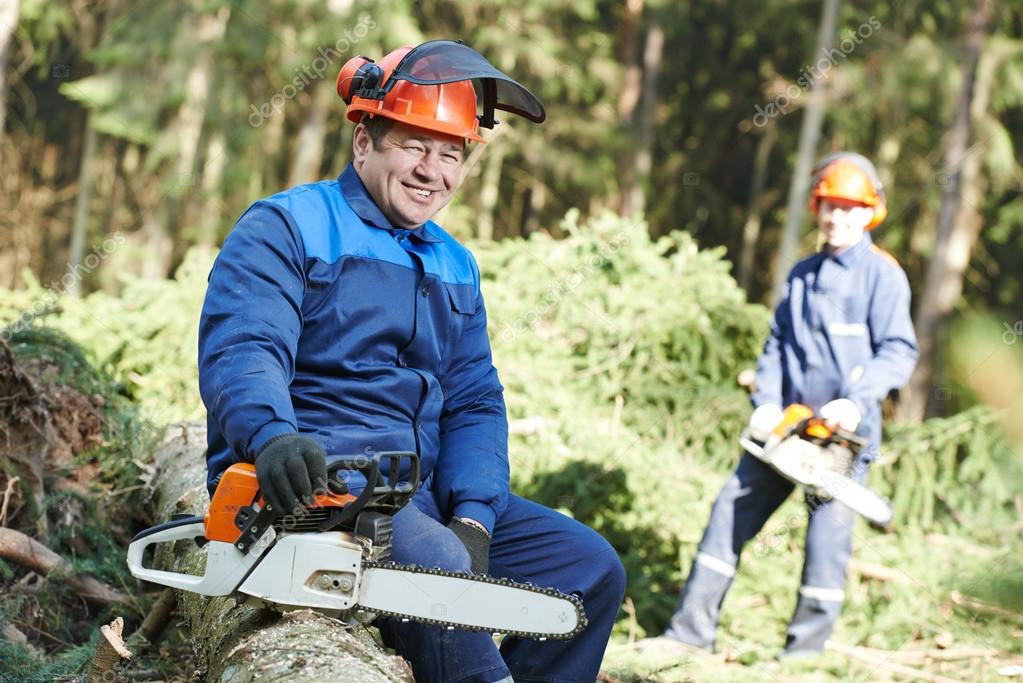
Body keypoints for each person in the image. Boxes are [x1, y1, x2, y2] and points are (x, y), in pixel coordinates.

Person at [197, 40, 625, 683]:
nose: (433, 171)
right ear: (364, 141)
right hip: (315, 486)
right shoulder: (288, 226)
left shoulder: (454, 263)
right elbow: (245, 345)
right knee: (441, 568)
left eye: (450, 153)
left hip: (413, 496)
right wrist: (272, 436)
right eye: (415, 146)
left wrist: (476, 514)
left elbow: (476, 399)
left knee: (589, 568)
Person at [659, 152, 918, 656]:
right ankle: (688, 636)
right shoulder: (802, 273)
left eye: (848, 209)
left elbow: (898, 351)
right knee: (729, 514)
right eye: (829, 207)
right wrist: (768, 402)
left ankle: (802, 657)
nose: (836, 218)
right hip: (790, 432)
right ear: (818, 209)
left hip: (843, 437)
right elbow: (778, 345)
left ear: (869, 213)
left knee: (826, 545)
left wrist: (857, 403)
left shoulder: (882, 277)